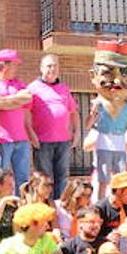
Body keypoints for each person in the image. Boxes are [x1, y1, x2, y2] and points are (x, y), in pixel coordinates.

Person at [28, 53, 79, 197]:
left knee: (62, 177)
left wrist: (77, 133)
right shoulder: (32, 88)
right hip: (42, 142)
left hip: (63, 141)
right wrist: (31, 135)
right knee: (44, 179)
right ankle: (46, 210)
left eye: (56, 65)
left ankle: (60, 211)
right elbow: (25, 114)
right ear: (41, 68)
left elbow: (73, 111)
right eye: (49, 65)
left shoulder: (64, 88)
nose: (53, 69)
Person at [0, 49, 36, 188]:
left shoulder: (18, 83)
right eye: (15, 65)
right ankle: (4, 208)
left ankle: (21, 208)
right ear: (5, 66)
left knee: (23, 179)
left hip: (21, 138)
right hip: (2, 139)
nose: (17, 68)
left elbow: (27, 97)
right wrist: (15, 101)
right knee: (1, 179)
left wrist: (4, 102)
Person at [87, 78, 127, 200]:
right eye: (111, 88)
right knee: (103, 180)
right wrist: (93, 113)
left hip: (120, 146)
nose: (115, 90)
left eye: (118, 88)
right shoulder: (100, 103)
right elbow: (88, 125)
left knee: (121, 181)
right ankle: (101, 207)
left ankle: (120, 206)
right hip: (104, 144)